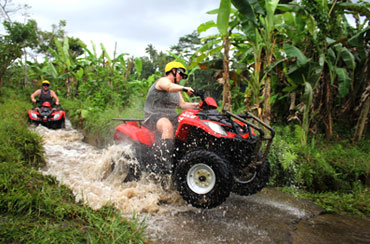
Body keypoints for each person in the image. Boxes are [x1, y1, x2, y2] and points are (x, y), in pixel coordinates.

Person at [143, 61, 198, 173]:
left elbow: (183, 105)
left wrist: (199, 105)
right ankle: (163, 162)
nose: (182, 77)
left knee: (190, 125)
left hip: (172, 116)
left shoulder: (177, 90)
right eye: (181, 74)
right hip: (154, 116)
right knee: (167, 126)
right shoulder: (163, 81)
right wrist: (184, 88)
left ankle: (186, 156)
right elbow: (168, 87)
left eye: (183, 76)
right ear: (173, 71)